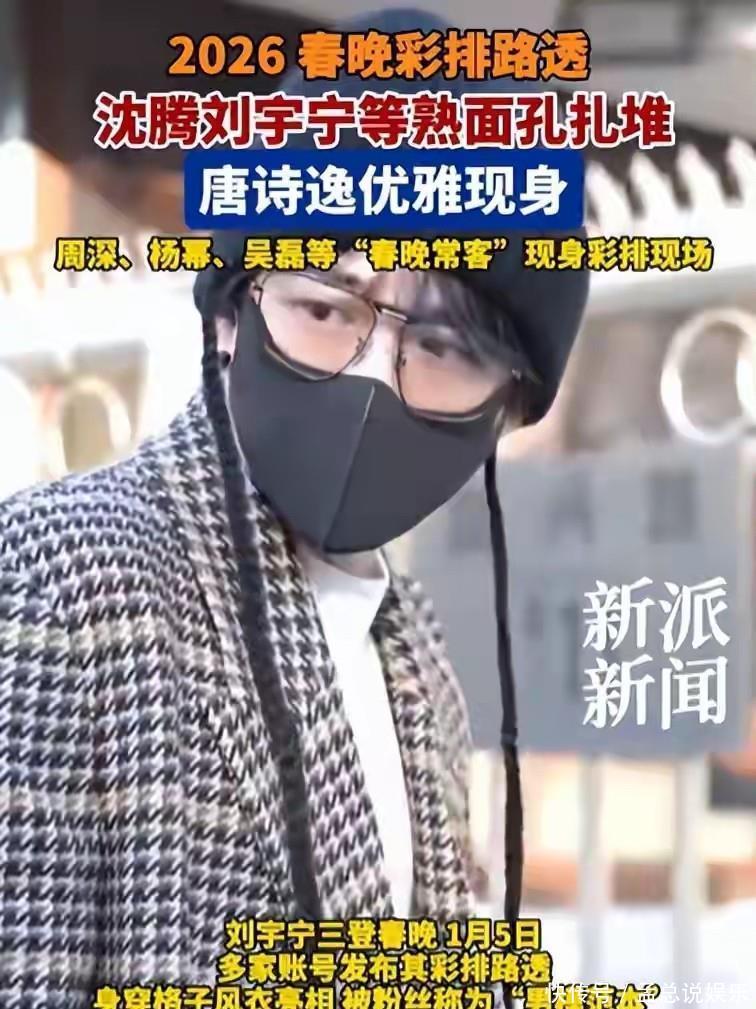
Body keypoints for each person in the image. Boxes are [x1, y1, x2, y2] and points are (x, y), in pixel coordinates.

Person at [0, 9, 589, 1007]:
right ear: (234, 308)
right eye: (324, 307)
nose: (370, 378)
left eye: (441, 347)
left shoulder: (414, 647)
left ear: (510, 404)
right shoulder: (58, 581)